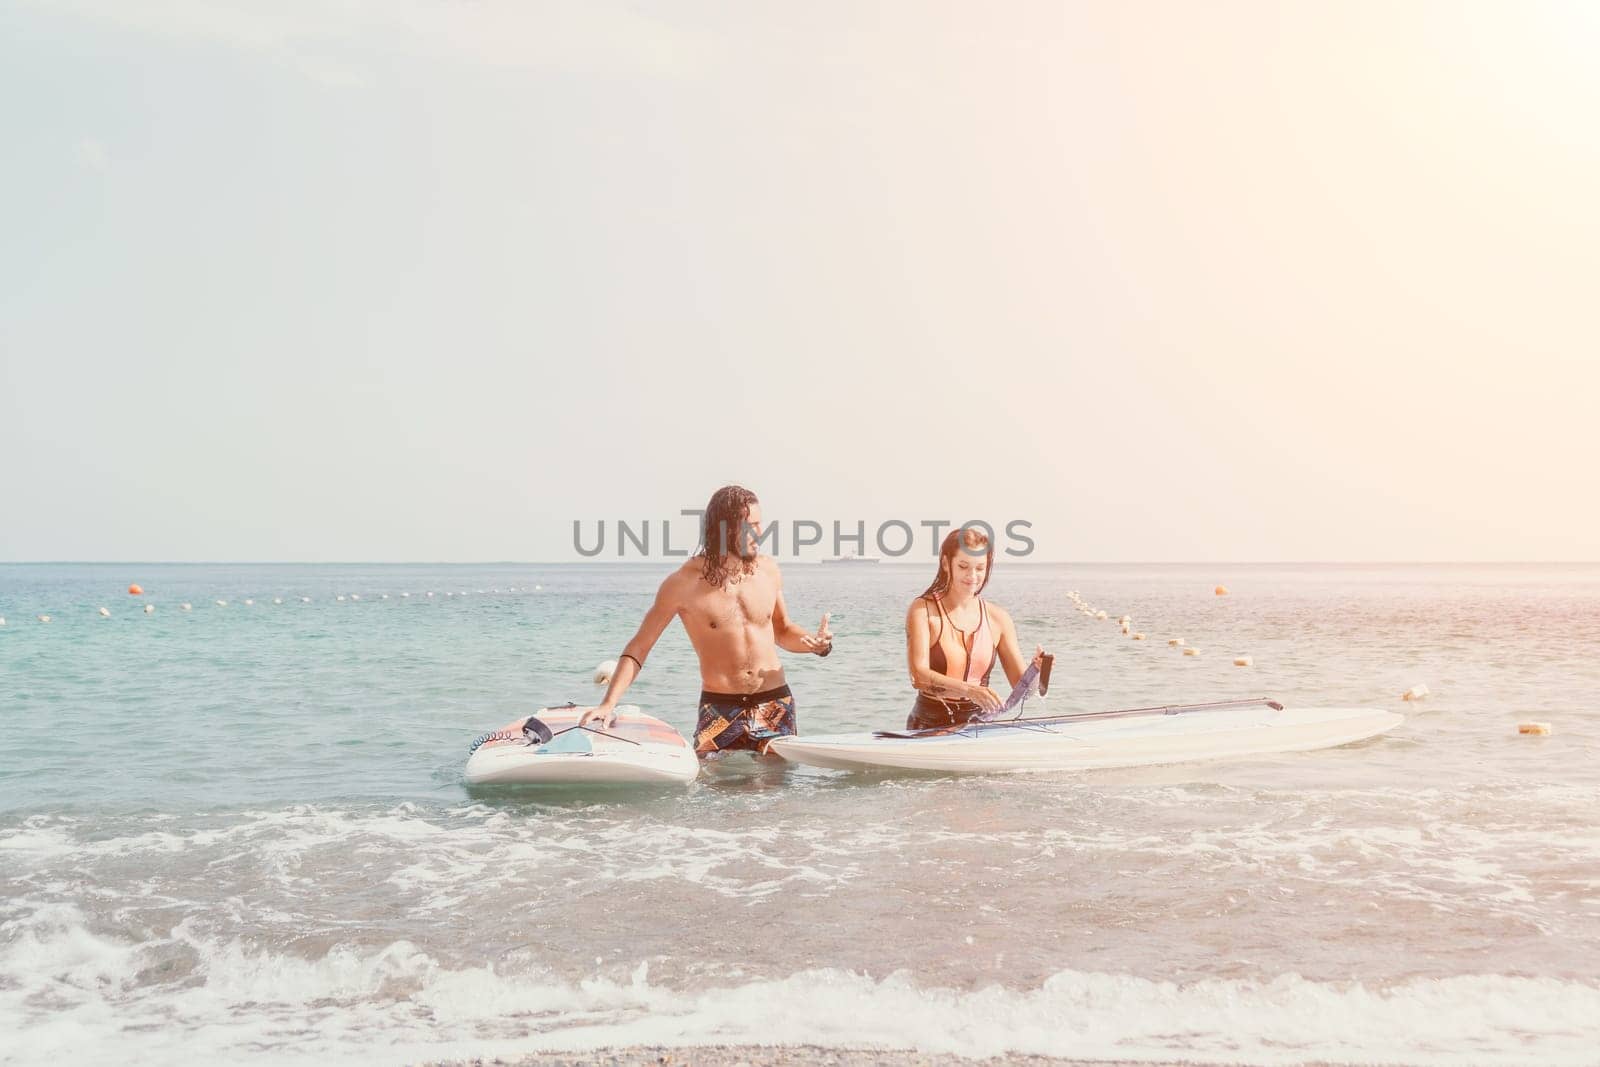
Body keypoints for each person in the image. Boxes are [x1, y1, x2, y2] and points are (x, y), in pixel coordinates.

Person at [580, 485, 833, 757]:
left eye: (760, 524)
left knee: (777, 791)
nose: (759, 533)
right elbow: (639, 647)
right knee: (713, 792)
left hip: (774, 702)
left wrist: (814, 645)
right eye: (750, 526)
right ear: (723, 529)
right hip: (719, 708)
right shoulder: (683, 583)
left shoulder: (768, 570)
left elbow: (782, 631)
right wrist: (608, 703)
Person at [904, 525, 1045, 730]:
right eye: (963, 566)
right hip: (928, 725)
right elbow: (918, 676)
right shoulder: (923, 610)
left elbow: (1025, 692)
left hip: (980, 727)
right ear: (946, 563)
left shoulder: (998, 618)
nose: (972, 576)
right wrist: (970, 690)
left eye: (979, 568)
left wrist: (1038, 671)